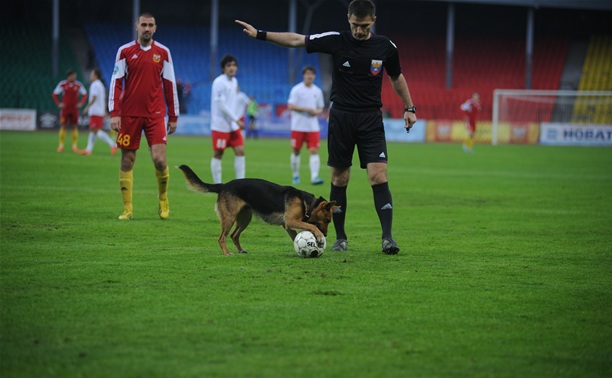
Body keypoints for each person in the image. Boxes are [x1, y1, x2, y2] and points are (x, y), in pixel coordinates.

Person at [236, 0, 417, 255]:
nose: (359, 31)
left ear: (373, 21)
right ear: (348, 19)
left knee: (378, 175)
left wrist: (409, 107)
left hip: (370, 119)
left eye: (364, 26)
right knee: (339, 178)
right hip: (341, 117)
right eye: (355, 25)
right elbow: (297, 40)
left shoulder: (385, 47)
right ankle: (340, 238)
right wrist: (260, 34)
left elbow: (396, 76)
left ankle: (387, 238)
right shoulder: (336, 40)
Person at [108, 12, 179, 220]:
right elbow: (116, 82)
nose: (147, 28)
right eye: (143, 25)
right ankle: (127, 209)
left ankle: (163, 200)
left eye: (150, 25)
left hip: (155, 114)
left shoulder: (163, 52)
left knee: (159, 159)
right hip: (129, 115)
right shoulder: (124, 51)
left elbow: (170, 85)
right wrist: (114, 113)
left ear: (155, 28)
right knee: (127, 161)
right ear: (136, 26)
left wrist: (173, 116)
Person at [210, 54, 246, 184]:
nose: (232, 68)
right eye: (229, 65)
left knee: (240, 151)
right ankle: (217, 184)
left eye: (234, 65)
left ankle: (241, 184)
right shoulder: (219, 82)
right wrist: (236, 119)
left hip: (232, 125)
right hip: (220, 125)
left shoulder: (234, 81)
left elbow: (233, 102)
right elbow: (221, 104)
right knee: (219, 153)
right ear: (223, 68)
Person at [288, 65, 325, 185]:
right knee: (296, 150)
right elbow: (290, 105)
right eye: (307, 74)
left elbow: (321, 108)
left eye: (312, 74)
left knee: (314, 150)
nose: (310, 76)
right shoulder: (296, 89)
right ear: (304, 75)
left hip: (312, 127)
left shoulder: (317, 91)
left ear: (314, 76)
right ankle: (295, 176)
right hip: (298, 126)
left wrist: (316, 112)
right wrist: (304, 109)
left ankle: (314, 177)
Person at [79, 68, 117, 156]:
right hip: (98, 111)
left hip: (95, 110)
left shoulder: (95, 85)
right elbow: (103, 99)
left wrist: (87, 107)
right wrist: (103, 110)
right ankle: (88, 150)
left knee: (96, 130)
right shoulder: (101, 85)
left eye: (91, 74)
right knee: (93, 130)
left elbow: (94, 97)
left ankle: (113, 144)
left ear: (95, 75)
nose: (90, 76)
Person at [52, 69, 88, 153]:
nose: (74, 77)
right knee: (63, 125)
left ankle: (74, 146)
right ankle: (61, 145)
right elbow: (54, 94)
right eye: (73, 75)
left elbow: (85, 94)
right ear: (69, 76)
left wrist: (81, 103)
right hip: (65, 109)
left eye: (75, 75)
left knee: (74, 126)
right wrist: (59, 103)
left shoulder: (78, 85)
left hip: (74, 109)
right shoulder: (63, 84)